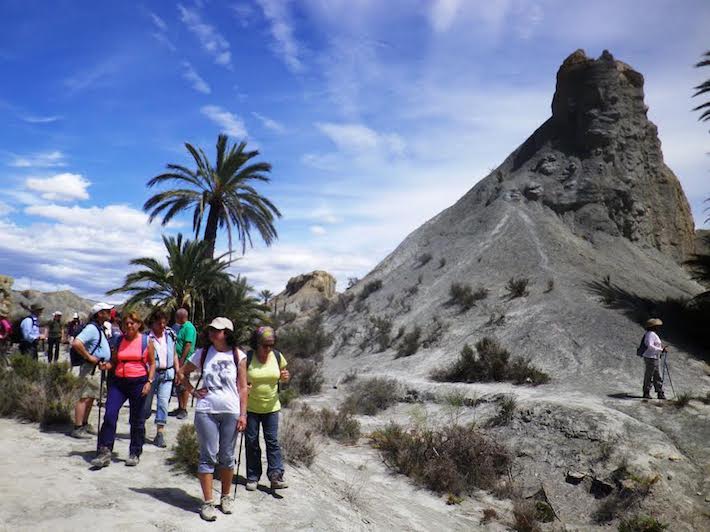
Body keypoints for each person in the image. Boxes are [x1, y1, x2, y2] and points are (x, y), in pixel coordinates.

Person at [177, 317, 247, 522]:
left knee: (227, 456)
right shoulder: (203, 353)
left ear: (227, 333)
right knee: (208, 456)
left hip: (231, 411)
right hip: (206, 410)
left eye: (218, 330)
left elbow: (243, 387)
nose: (212, 333)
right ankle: (208, 503)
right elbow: (181, 372)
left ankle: (226, 497)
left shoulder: (238, 355)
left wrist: (243, 414)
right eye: (211, 330)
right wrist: (193, 392)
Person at [91, 312, 156, 468]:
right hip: (119, 382)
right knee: (110, 414)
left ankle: (135, 452)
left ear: (139, 324)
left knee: (137, 419)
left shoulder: (146, 341)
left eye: (132, 323)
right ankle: (105, 451)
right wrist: (106, 366)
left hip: (138, 382)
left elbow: (152, 364)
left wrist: (149, 381)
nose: (129, 326)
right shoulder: (119, 340)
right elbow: (114, 361)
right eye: (126, 323)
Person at [244, 326, 289, 492]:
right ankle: (253, 476)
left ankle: (276, 475)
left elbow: (283, 374)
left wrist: (284, 378)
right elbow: (239, 379)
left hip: (271, 407)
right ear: (256, 344)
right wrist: (243, 388)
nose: (268, 348)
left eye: (271, 345)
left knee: (272, 441)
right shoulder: (248, 358)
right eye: (265, 345)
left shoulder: (277, 357)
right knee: (251, 442)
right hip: (251, 408)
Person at [70, 302, 113, 439]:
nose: (109, 313)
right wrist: (89, 356)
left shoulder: (98, 328)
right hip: (91, 368)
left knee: (91, 397)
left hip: (97, 368)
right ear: (99, 313)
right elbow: (77, 343)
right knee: (84, 396)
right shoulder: (92, 328)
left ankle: (84, 423)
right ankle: (77, 427)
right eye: (106, 311)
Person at [142, 310, 178, 448]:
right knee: (146, 404)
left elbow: (173, 353)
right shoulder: (146, 337)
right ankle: (141, 427)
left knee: (163, 403)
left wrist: (178, 370)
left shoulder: (170, 335)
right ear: (153, 323)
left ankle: (160, 434)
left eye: (164, 322)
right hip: (150, 375)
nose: (162, 325)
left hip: (167, 374)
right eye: (159, 323)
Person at [169, 308, 197, 420]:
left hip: (185, 361)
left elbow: (188, 345)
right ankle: (180, 407)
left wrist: (182, 361)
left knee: (183, 385)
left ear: (181, 317)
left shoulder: (189, 328)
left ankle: (184, 408)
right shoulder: (179, 327)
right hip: (177, 359)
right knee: (178, 384)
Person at [640, 318, 667, 400]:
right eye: (657, 326)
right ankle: (649, 392)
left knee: (656, 375)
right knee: (651, 375)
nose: (658, 327)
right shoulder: (650, 334)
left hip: (653, 357)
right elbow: (650, 345)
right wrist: (661, 350)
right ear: (653, 326)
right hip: (651, 357)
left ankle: (659, 392)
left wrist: (660, 349)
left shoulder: (651, 334)